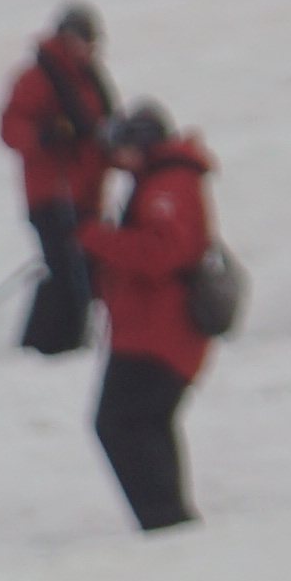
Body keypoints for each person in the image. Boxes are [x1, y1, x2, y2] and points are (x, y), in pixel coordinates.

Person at [80, 101, 219, 535]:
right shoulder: (165, 179)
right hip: (150, 332)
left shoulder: (169, 184)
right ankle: (169, 522)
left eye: (122, 148)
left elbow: (162, 253)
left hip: (158, 333)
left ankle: (164, 521)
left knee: (120, 423)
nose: (117, 160)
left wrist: (96, 239)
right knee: (145, 423)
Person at [0, 6, 118, 355]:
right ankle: (47, 347)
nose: (90, 47)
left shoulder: (91, 79)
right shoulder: (36, 77)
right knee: (67, 271)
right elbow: (9, 127)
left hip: (86, 196)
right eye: (84, 39)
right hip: (51, 194)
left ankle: (54, 346)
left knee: (82, 271)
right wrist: (44, 136)